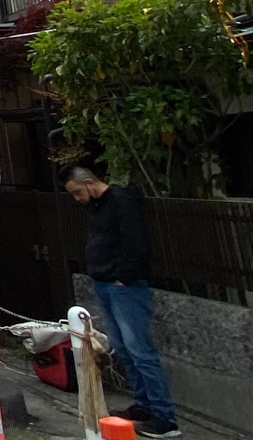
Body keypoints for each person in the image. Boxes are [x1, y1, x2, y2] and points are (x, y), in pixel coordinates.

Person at [66, 166, 180, 437]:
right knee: (123, 348)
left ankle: (165, 417)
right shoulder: (96, 208)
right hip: (106, 282)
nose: (77, 199)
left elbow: (136, 242)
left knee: (140, 350)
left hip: (125, 286)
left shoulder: (122, 201)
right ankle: (143, 405)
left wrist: (123, 276)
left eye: (77, 192)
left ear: (90, 183)